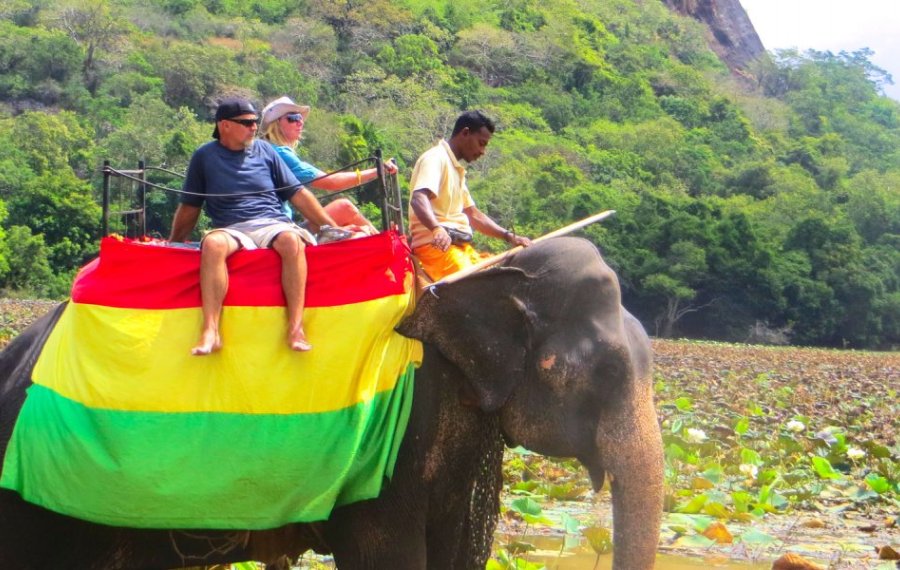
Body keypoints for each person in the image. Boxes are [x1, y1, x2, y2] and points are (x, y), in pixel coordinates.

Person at [169, 98, 339, 355]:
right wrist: (174, 241)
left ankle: (295, 329)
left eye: (255, 122)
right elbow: (190, 205)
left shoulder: (266, 151)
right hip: (230, 226)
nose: (253, 128)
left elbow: (298, 194)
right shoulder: (204, 156)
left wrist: (331, 227)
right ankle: (211, 331)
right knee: (213, 244)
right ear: (224, 125)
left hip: (271, 222)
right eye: (246, 123)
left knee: (291, 241)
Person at [408, 110, 531, 281]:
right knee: (477, 285)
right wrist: (436, 229)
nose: (483, 151)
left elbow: (473, 214)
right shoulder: (435, 158)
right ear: (465, 133)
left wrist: (510, 237)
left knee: (501, 275)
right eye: (481, 143)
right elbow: (418, 198)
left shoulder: (456, 169)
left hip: (459, 247)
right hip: (435, 248)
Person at [259, 96, 398, 233]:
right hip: (281, 229)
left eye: (300, 118)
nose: (300, 122)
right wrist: (378, 170)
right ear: (276, 124)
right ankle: (383, 242)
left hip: (280, 226)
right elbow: (331, 182)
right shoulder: (279, 153)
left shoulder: (266, 150)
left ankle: (380, 239)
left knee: (345, 210)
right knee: (345, 207)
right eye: (293, 118)